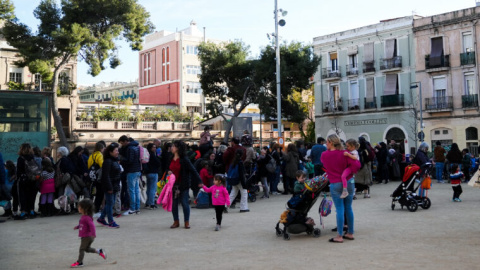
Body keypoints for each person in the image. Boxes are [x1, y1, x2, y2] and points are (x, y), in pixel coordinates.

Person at [321, 134, 356, 243]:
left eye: (327, 142)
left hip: (335, 183)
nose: (326, 144)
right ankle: (350, 233)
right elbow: (354, 164)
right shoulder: (345, 153)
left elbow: (325, 166)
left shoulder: (324, 155)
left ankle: (339, 235)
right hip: (349, 182)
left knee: (339, 209)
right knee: (348, 208)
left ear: (331, 142)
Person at [166, 140, 202, 229]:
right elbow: (167, 169)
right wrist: (168, 172)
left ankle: (186, 222)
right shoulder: (170, 158)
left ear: (178, 148)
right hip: (173, 185)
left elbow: (193, 170)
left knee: (184, 203)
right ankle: (176, 221)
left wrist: (200, 181)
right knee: (174, 205)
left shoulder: (184, 159)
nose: (172, 148)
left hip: (183, 184)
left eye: (174, 146)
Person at [71, 199, 107, 268]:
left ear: (85, 209)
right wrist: (78, 227)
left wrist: (93, 234)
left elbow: (92, 226)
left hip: (87, 236)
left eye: (80, 207)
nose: (78, 208)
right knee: (86, 249)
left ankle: (79, 262)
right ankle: (99, 251)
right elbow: (83, 225)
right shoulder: (84, 217)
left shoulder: (87, 218)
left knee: (81, 249)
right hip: (87, 236)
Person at [96, 143, 121, 229]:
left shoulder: (114, 160)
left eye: (118, 150)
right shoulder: (108, 161)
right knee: (110, 203)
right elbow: (105, 176)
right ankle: (111, 221)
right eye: (116, 150)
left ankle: (101, 218)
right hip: (109, 185)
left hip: (114, 184)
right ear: (110, 152)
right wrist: (109, 187)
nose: (118, 152)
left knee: (111, 202)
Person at [118, 135, 142, 216]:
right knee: (136, 190)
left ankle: (132, 208)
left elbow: (129, 160)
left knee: (131, 190)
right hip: (137, 170)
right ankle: (137, 208)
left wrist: (121, 158)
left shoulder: (129, 148)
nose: (122, 145)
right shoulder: (136, 147)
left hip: (131, 171)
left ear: (125, 141)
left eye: (122, 143)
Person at [16, 143, 37, 220]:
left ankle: (23, 212)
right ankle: (31, 210)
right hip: (32, 179)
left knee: (22, 196)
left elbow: (19, 171)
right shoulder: (33, 158)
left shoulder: (21, 158)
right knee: (31, 195)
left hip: (23, 180)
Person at [227, 149, 249, 213]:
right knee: (244, 192)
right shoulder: (240, 162)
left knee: (233, 193)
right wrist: (244, 183)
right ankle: (243, 207)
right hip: (239, 180)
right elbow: (241, 174)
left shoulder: (233, 162)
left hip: (234, 179)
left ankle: (225, 206)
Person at [88, 142, 105, 217]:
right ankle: (97, 209)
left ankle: (93, 209)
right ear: (101, 149)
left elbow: (88, 166)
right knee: (100, 194)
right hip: (99, 178)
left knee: (94, 194)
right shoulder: (100, 155)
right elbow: (102, 165)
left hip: (92, 177)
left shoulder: (91, 155)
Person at [144, 143, 161, 210]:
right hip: (153, 172)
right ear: (150, 148)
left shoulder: (147, 154)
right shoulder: (153, 155)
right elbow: (158, 163)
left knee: (149, 188)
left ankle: (148, 203)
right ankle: (151, 203)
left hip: (148, 173)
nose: (155, 148)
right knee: (153, 189)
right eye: (153, 147)